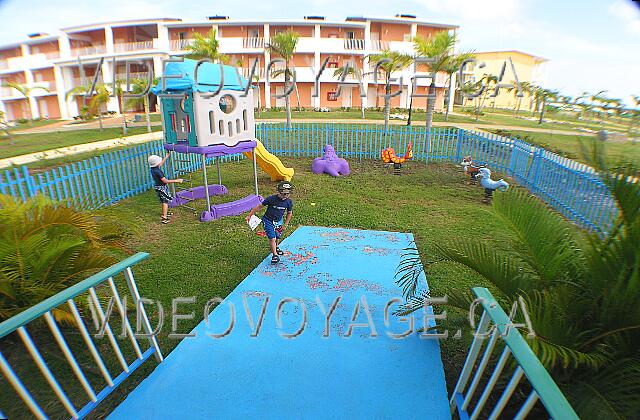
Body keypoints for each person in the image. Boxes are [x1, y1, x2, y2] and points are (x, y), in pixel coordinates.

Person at [246, 181, 294, 264]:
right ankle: (275, 255)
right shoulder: (271, 199)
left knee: (277, 236)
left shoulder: (288, 202)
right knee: (272, 238)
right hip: (268, 220)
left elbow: (289, 213)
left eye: (287, 194)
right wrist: (250, 215)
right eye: (283, 194)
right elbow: (260, 206)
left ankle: (276, 247)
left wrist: (285, 224)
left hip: (279, 221)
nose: (285, 196)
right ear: (278, 192)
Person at [148, 152, 183, 224]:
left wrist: (166, 157)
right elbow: (165, 181)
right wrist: (177, 180)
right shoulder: (158, 172)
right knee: (165, 202)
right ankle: (164, 217)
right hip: (162, 188)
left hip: (158, 187)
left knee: (164, 201)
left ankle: (165, 213)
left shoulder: (153, 169)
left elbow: (160, 164)